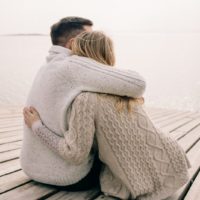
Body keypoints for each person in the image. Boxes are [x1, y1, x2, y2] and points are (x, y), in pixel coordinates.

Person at [23, 31, 191, 200]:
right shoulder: (123, 90)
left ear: (80, 55)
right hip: (173, 163)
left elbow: (74, 154)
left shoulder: (85, 99)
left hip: (140, 182)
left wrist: (37, 127)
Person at [20, 17, 146, 189]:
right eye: (90, 37)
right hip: (69, 177)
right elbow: (138, 84)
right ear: (73, 43)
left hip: (33, 169)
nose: (94, 41)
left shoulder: (45, 66)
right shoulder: (72, 65)